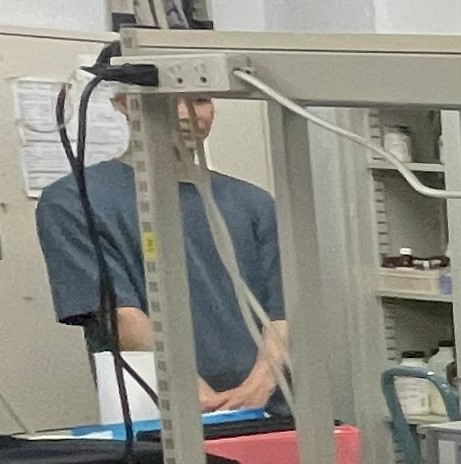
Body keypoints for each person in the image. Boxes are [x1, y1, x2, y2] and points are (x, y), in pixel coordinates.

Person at [37, 94, 284, 415]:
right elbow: (119, 315)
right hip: (157, 411)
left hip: (267, 409)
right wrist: (187, 386)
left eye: (199, 100)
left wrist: (262, 383)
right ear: (123, 102)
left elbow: (283, 312)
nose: (185, 114)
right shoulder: (75, 200)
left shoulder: (255, 205)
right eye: (168, 101)